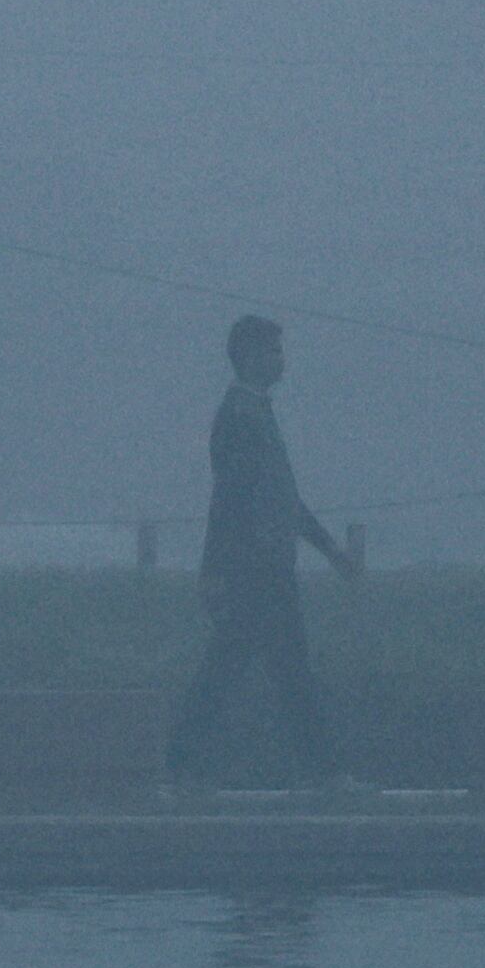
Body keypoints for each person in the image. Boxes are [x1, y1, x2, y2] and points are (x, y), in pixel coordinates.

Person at [165, 315, 362, 787]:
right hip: (253, 569)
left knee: (261, 668)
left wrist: (329, 549)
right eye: (274, 350)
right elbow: (228, 499)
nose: (281, 360)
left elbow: (285, 501)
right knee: (255, 670)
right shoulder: (238, 418)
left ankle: (185, 765)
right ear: (250, 355)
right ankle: (185, 765)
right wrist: (212, 570)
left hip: (268, 565)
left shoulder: (257, 413)